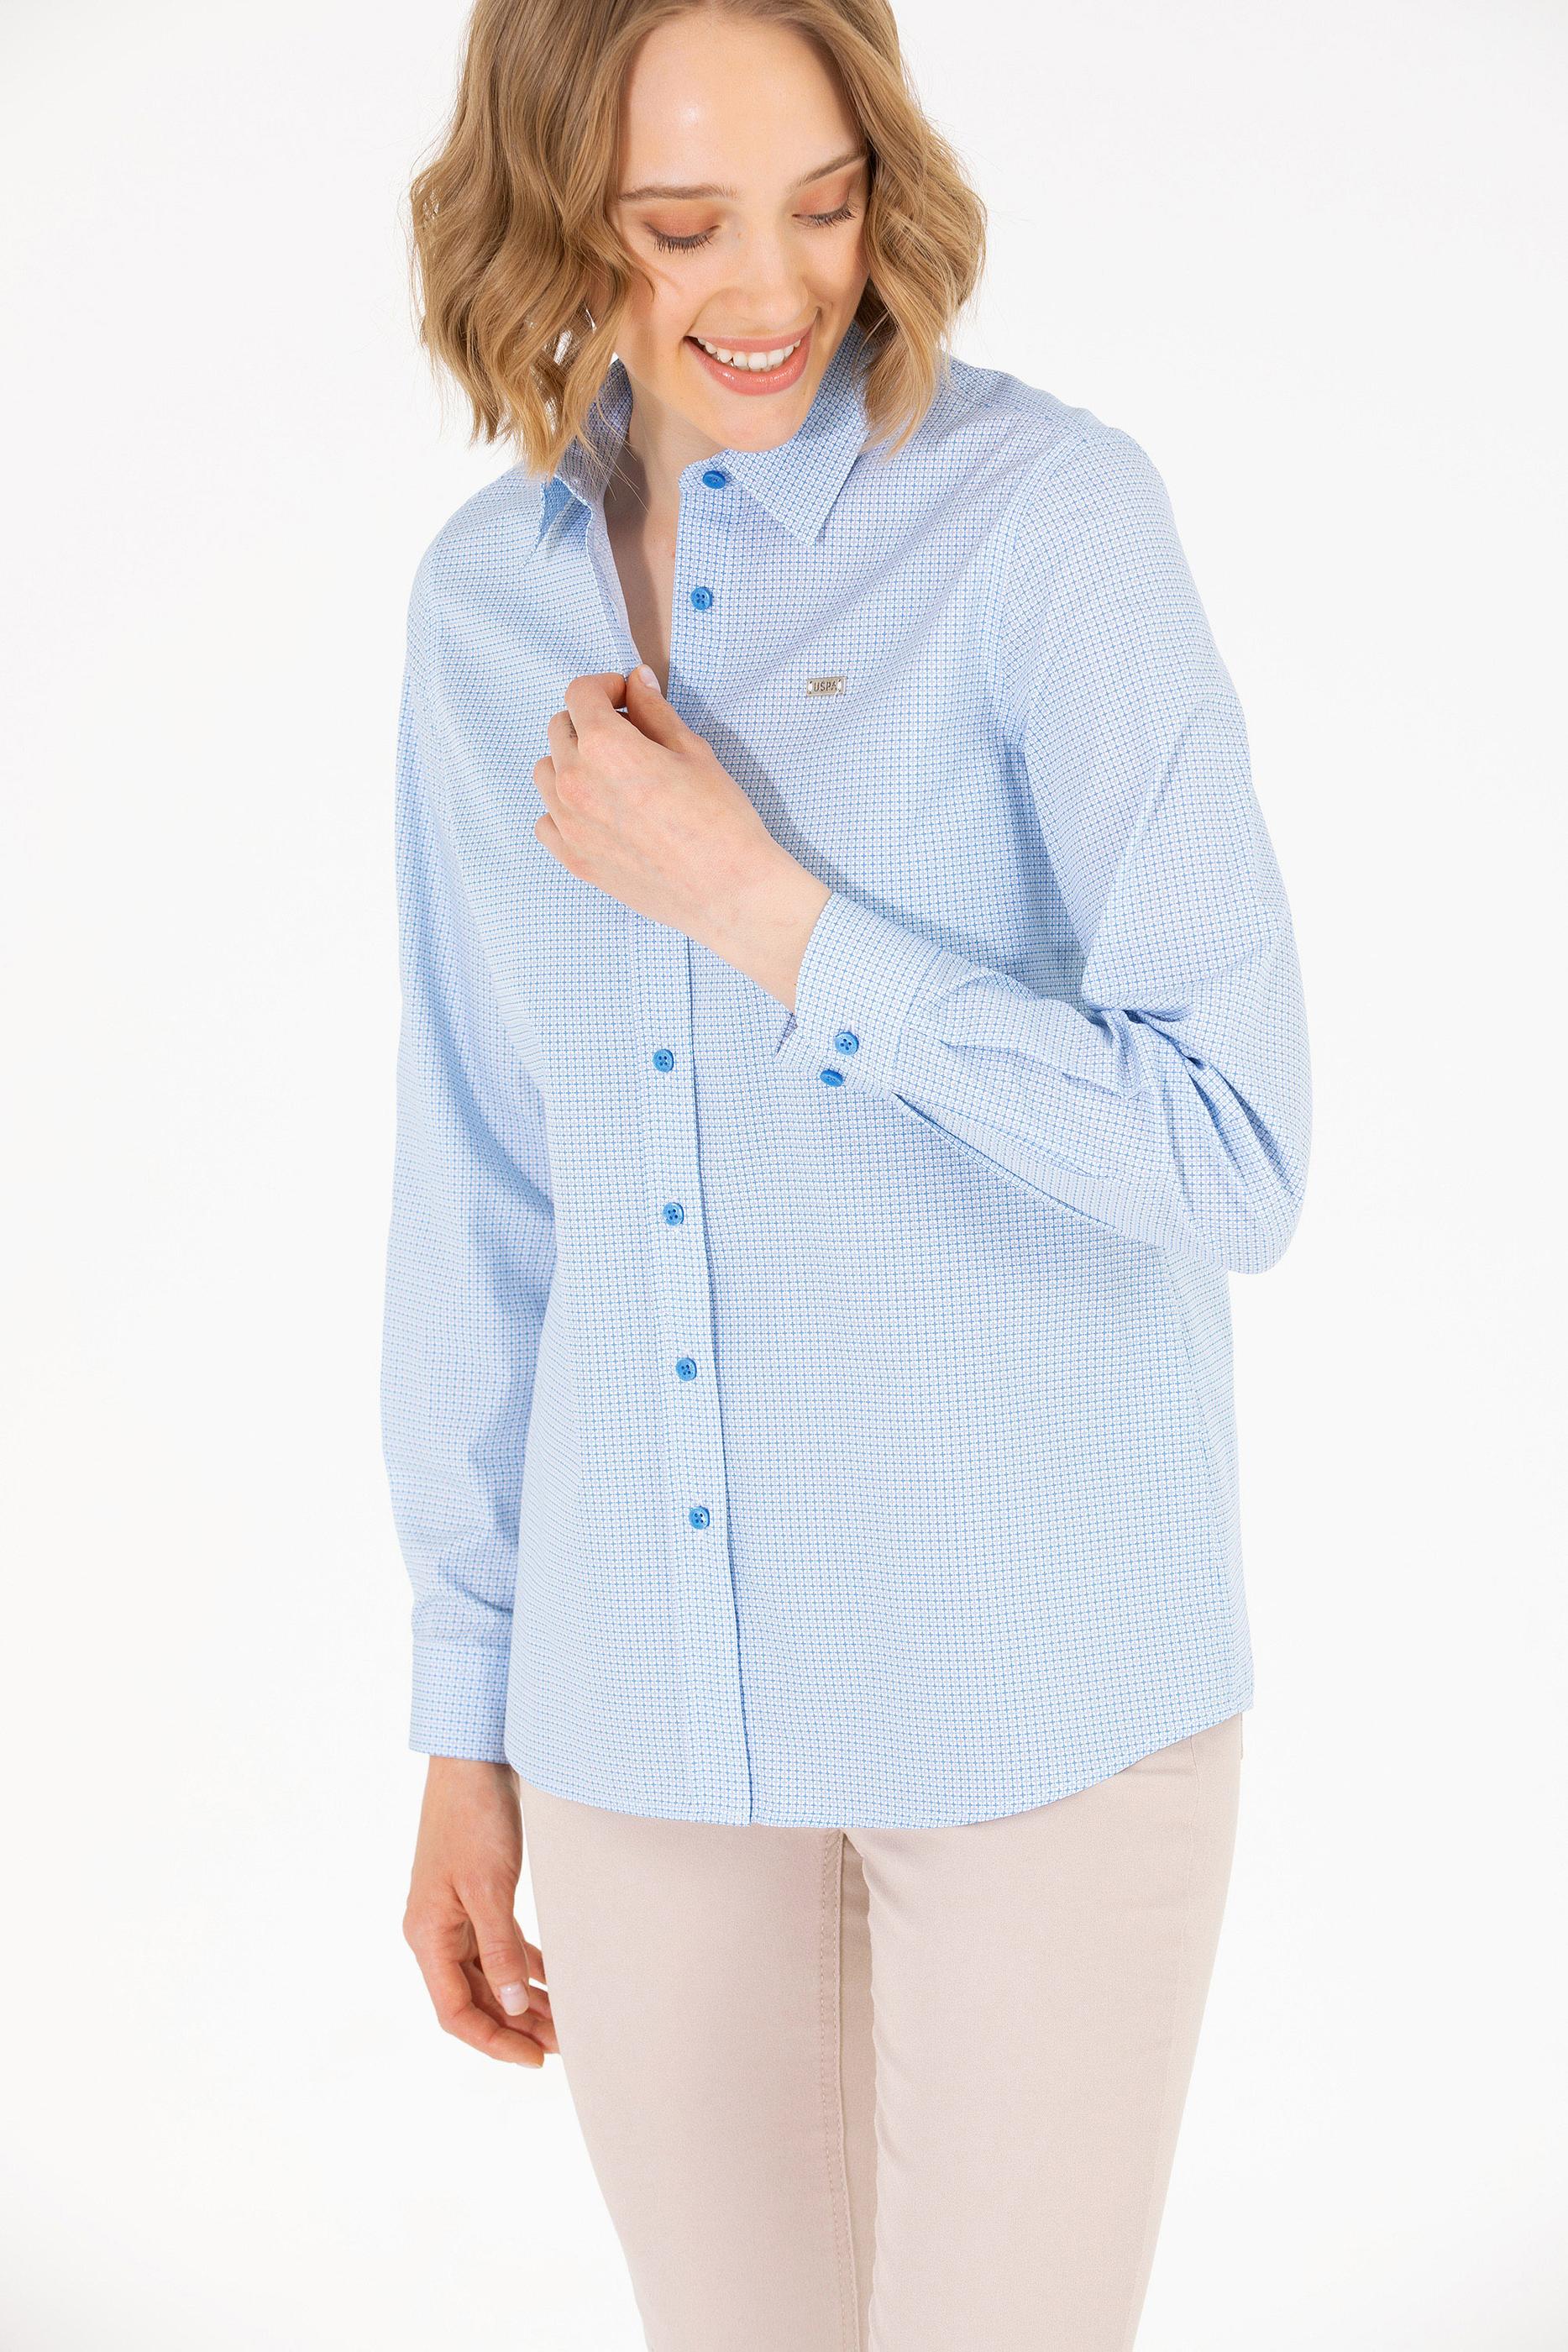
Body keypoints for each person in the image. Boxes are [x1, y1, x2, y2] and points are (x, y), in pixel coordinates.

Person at [382, 0, 1312, 2344]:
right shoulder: (482, 606)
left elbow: (1232, 1147)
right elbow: (484, 1185)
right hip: (639, 1713)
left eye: (824, 202)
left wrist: (768, 914)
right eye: (678, 225)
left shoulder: (1039, 521)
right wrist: (465, 1716)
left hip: (1028, 1691)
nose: (773, 286)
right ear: (547, 220)